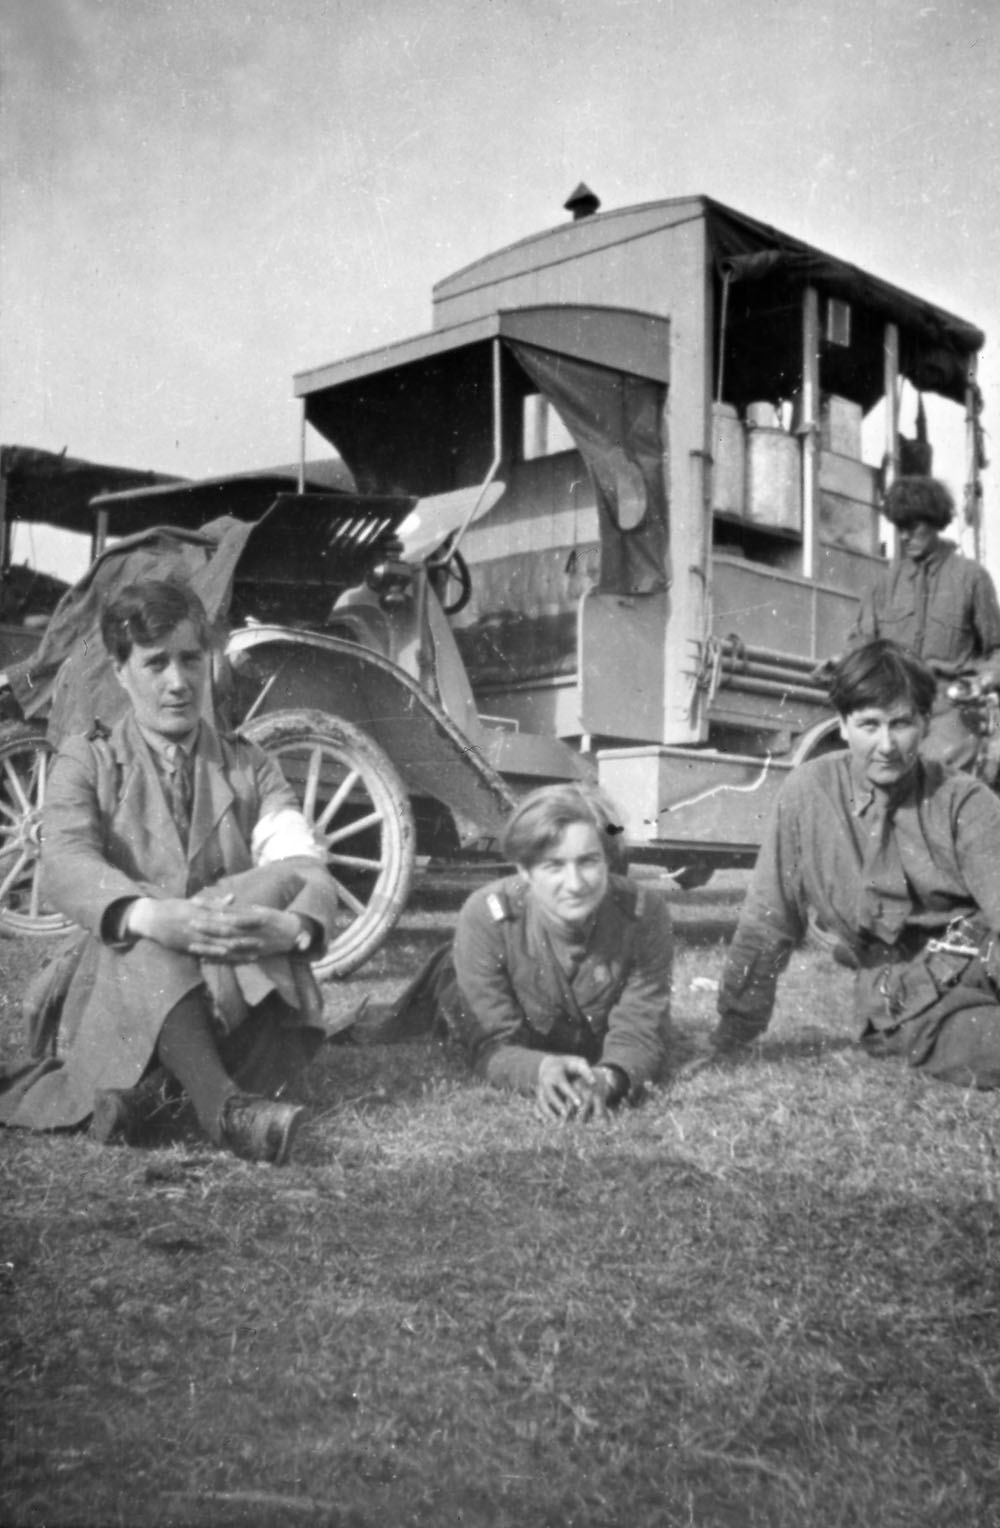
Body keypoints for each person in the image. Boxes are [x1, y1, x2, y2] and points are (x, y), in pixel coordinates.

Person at [0, 579, 340, 1163]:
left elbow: (300, 861)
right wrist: (153, 914)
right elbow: (67, 863)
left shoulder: (248, 763)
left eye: (190, 659)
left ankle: (156, 1098)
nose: (178, 683)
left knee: (278, 884)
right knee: (139, 925)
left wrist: (295, 930)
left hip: (233, 982)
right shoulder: (88, 758)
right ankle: (224, 1112)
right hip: (124, 990)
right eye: (156, 663)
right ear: (121, 670)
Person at [711, 639, 1000, 1088]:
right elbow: (769, 920)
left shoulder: (964, 800)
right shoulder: (808, 794)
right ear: (843, 725)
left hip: (985, 959)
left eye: (901, 723)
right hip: (912, 1001)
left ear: (925, 724)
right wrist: (732, 1032)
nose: (886, 745)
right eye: (869, 724)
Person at [366, 783, 674, 1120]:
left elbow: (642, 1027)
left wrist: (609, 1077)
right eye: (553, 866)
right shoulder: (488, 915)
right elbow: (490, 1041)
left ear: (607, 860)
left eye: (588, 862)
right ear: (524, 871)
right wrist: (537, 1069)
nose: (575, 884)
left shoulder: (644, 914)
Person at [849, 475, 1000, 769]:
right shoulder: (884, 585)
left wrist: (983, 680)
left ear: (934, 523)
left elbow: (997, 650)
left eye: (913, 527)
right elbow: (861, 645)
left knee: (933, 772)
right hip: (893, 706)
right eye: (899, 528)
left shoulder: (971, 578)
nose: (904, 536)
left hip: (951, 709)